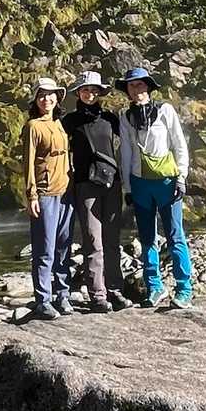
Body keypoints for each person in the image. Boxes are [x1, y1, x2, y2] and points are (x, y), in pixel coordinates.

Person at [117, 65, 193, 308]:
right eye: (131, 86)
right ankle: (154, 287)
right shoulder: (125, 117)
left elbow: (179, 144)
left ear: (148, 86)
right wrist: (127, 188)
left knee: (175, 235)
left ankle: (184, 289)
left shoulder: (165, 110)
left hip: (167, 182)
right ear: (127, 90)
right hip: (140, 183)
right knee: (147, 237)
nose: (136, 89)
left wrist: (181, 176)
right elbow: (126, 153)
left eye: (140, 84)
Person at [62, 70, 133, 313]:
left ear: (100, 92)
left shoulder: (110, 118)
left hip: (112, 183)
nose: (90, 94)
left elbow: (130, 143)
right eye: (85, 90)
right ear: (78, 93)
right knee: (93, 240)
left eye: (94, 90)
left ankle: (115, 290)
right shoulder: (69, 121)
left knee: (112, 239)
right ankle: (97, 295)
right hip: (85, 184)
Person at [20, 77, 73, 320]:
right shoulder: (33, 126)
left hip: (66, 193)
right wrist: (31, 195)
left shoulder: (59, 123)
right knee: (45, 249)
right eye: (41, 95)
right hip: (45, 193)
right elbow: (28, 162)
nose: (46, 99)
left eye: (51, 94)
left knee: (63, 246)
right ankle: (43, 299)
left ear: (57, 98)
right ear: (35, 100)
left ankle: (63, 294)